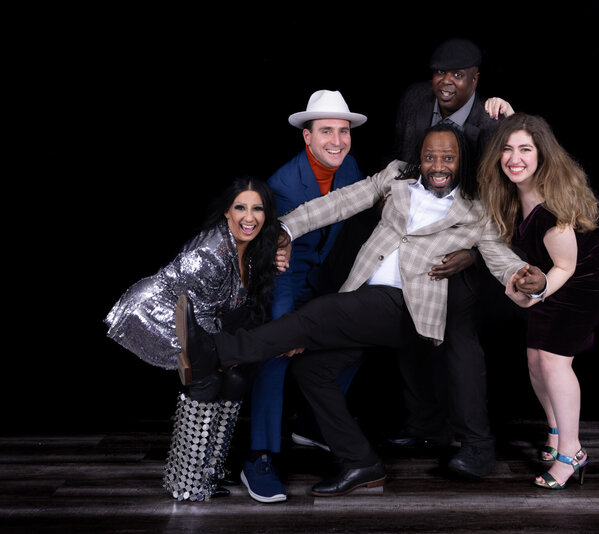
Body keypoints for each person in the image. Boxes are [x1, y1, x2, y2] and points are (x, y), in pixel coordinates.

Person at [176, 122, 546, 497]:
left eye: (447, 158)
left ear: (461, 160)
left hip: (411, 308)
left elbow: (500, 257)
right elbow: (340, 202)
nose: (438, 166)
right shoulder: (396, 177)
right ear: (419, 158)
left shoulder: (476, 209)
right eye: (430, 156)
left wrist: (527, 276)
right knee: (313, 371)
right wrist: (285, 229)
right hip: (365, 298)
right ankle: (361, 462)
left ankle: (217, 351)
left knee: (317, 314)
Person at [104, 176, 282, 501]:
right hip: (162, 311)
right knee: (207, 382)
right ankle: (185, 484)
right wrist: (221, 355)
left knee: (235, 379)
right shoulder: (211, 252)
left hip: (199, 318)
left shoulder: (252, 248)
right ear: (227, 212)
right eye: (240, 207)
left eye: (257, 209)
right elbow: (193, 312)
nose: (249, 217)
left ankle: (209, 474)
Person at [386, 36, 519, 453]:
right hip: (416, 234)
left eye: (458, 75)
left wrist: (474, 253)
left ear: (475, 78)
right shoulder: (414, 100)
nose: (446, 82)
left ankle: (476, 443)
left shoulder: (491, 122)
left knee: (459, 339)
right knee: (407, 328)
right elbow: (402, 165)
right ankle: (424, 426)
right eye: (440, 72)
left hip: (466, 241)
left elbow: (504, 200)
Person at [478, 113, 599, 490]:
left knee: (555, 361)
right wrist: (509, 116)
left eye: (525, 149)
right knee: (535, 359)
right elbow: (522, 136)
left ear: (541, 154)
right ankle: (556, 432)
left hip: (587, 277)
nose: (515, 158)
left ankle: (572, 453)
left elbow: (566, 266)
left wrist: (533, 297)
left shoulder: (551, 210)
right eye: (507, 149)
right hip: (554, 274)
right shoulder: (514, 190)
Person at [242, 90, 368, 503]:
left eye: (344, 131)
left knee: (356, 336)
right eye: (326, 131)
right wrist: (290, 326)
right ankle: (260, 455)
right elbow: (278, 261)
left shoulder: (350, 167)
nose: (337, 140)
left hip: (324, 279)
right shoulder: (282, 185)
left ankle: (313, 424)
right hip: (284, 280)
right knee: (275, 351)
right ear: (307, 137)